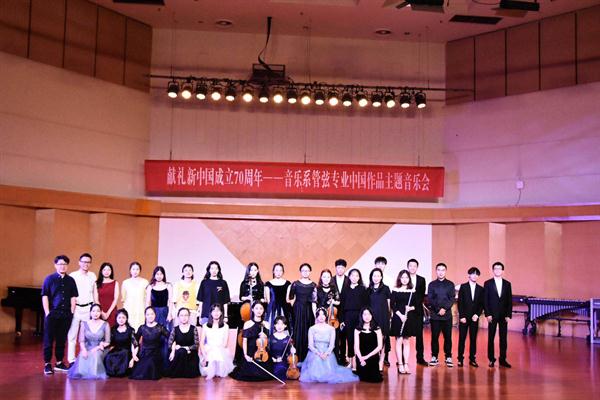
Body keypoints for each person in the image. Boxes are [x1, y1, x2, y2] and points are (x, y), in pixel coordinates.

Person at [299, 307, 359, 383]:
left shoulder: (331, 329)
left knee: (329, 368)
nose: (321, 317)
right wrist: (319, 354)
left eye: (323, 315)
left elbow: (332, 345)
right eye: (319, 315)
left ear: (326, 316)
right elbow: (310, 345)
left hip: (327, 352)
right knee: (316, 360)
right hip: (315, 352)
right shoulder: (312, 328)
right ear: (316, 316)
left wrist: (326, 354)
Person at [41, 255, 79, 375]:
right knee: (48, 339)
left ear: (67, 266)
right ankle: (47, 364)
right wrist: (47, 312)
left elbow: (73, 297)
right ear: (55, 265)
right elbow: (45, 296)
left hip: (66, 314)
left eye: (65, 264)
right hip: (52, 314)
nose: (62, 266)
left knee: (62, 339)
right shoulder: (49, 279)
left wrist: (72, 311)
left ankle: (59, 362)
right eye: (60, 264)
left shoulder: (71, 280)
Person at [230, 301, 274, 381]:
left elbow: (268, 342)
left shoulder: (266, 324)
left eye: (261, 308)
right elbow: (245, 341)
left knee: (266, 374)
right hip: (250, 352)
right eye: (256, 308)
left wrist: (265, 337)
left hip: (263, 352)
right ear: (253, 310)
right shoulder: (247, 323)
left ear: (263, 310)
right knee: (249, 373)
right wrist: (245, 355)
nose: (259, 310)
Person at [67, 253, 98, 367]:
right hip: (76, 308)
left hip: (88, 308)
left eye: (88, 262)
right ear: (79, 262)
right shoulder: (73, 275)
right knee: (72, 335)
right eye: (84, 262)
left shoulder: (92, 275)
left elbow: (94, 292)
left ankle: (85, 359)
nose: (86, 264)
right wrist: (71, 309)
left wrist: (96, 305)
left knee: (87, 336)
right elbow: (70, 293)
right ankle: (71, 360)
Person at [68, 303, 110, 379]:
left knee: (95, 355)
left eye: (98, 311)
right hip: (88, 346)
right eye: (93, 311)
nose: (95, 313)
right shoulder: (84, 324)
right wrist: (84, 349)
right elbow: (81, 340)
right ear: (90, 312)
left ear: (101, 312)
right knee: (82, 354)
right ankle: (82, 373)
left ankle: (94, 374)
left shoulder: (105, 324)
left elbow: (107, 342)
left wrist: (99, 347)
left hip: (100, 348)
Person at [484, 261, 513, 368]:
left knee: (503, 338)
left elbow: (509, 300)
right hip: (492, 315)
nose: (497, 270)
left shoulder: (507, 284)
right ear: (493, 270)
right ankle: (491, 359)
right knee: (491, 338)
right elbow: (485, 300)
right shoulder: (488, 283)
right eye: (495, 268)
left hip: (503, 315)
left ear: (502, 271)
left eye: (499, 268)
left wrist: (508, 315)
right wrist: (488, 314)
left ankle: (503, 359)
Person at [129, 307, 170, 380]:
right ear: (145, 316)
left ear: (155, 315)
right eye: (148, 314)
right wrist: (133, 356)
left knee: (151, 362)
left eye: (152, 314)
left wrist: (173, 350)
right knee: (138, 372)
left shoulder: (160, 327)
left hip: (155, 353)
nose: (150, 316)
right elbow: (134, 341)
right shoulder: (142, 327)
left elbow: (170, 337)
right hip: (144, 353)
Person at [427, 263, 455, 368]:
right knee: (434, 337)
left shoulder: (450, 284)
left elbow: (452, 298)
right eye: (439, 270)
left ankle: (448, 357)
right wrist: (438, 309)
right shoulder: (431, 284)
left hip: (447, 316)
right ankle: (434, 356)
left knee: (448, 337)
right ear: (436, 271)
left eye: (443, 270)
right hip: (435, 316)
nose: (441, 272)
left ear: (445, 271)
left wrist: (444, 309)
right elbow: (430, 299)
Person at [287, 263, 316, 362]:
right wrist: (294, 308)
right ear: (300, 272)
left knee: (308, 332)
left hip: (308, 310)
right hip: (297, 310)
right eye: (303, 270)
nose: (305, 272)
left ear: (310, 272)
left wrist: (315, 315)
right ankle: (297, 357)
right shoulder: (295, 284)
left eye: (307, 270)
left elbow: (314, 301)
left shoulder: (313, 285)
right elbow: (290, 298)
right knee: (298, 332)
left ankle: (308, 358)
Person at [339, 268, 368, 369]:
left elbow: (366, 305)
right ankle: (351, 362)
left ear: (359, 277)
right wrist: (342, 320)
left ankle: (360, 361)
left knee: (360, 340)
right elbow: (341, 306)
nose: (354, 277)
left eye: (357, 275)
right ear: (349, 277)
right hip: (348, 316)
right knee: (350, 340)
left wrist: (364, 319)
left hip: (359, 317)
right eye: (352, 275)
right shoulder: (345, 290)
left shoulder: (363, 289)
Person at [390, 269, 418, 374]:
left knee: (406, 341)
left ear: (409, 279)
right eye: (402, 277)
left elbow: (416, 305)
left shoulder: (412, 291)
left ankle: (406, 363)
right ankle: (400, 364)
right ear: (399, 278)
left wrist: (410, 308)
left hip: (408, 317)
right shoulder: (395, 290)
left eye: (406, 277)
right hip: (398, 317)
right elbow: (392, 305)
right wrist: (400, 315)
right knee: (399, 340)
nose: (405, 279)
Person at [457, 267, 484, 367]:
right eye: (473, 274)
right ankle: (460, 359)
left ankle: (472, 359)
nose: (475, 276)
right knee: (462, 339)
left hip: (474, 318)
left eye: (477, 274)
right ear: (469, 275)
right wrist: (462, 316)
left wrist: (477, 315)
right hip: (464, 318)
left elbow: (482, 304)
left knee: (473, 339)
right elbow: (460, 302)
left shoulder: (481, 289)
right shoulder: (463, 287)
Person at [199, 303, 234, 379]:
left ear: (221, 313)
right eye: (214, 311)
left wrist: (216, 350)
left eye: (218, 311)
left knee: (218, 365)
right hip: (208, 350)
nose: (216, 313)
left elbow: (225, 344)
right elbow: (201, 342)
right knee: (209, 367)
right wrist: (205, 355)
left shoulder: (225, 326)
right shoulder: (205, 326)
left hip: (221, 350)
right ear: (211, 313)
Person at [367, 267, 390, 369]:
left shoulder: (386, 289)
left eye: (378, 276)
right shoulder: (368, 290)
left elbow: (389, 305)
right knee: (373, 340)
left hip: (383, 317)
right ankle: (374, 360)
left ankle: (381, 360)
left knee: (383, 340)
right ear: (371, 277)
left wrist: (389, 317)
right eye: (374, 276)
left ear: (381, 277)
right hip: (371, 319)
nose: (376, 278)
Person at [104, 309, 139, 377]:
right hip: (116, 350)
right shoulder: (113, 330)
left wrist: (133, 357)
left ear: (126, 319)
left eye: (123, 317)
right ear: (116, 319)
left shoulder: (130, 330)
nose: (121, 319)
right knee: (109, 356)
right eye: (119, 317)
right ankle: (113, 372)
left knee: (124, 354)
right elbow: (110, 343)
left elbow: (134, 344)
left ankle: (121, 372)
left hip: (127, 351)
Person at [167, 308, 200, 378]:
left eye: (186, 315)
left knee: (182, 351)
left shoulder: (193, 328)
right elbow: (169, 344)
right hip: (178, 355)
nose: (184, 317)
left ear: (189, 316)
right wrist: (174, 350)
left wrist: (185, 348)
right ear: (178, 317)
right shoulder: (175, 329)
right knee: (181, 352)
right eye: (181, 315)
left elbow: (196, 345)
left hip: (190, 356)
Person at [407, 258, 428, 366]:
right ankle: (402, 359)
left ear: (417, 267)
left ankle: (420, 358)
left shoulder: (421, 279)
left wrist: (414, 306)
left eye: (414, 266)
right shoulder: (404, 278)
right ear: (407, 267)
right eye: (410, 266)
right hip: (406, 311)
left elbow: (421, 295)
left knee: (419, 335)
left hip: (417, 311)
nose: (412, 267)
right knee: (404, 336)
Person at [354, 307, 383, 382]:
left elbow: (380, 346)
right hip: (361, 358)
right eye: (365, 314)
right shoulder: (357, 329)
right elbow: (356, 347)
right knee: (362, 377)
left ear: (372, 315)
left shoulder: (377, 329)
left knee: (375, 379)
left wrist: (367, 357)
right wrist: (361, 359)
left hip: (372, 356)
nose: (367, 316)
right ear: (361, 316)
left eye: (369, 314)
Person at [197, 261, 231, 326]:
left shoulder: (223, 283)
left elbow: (225, 302)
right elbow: (201, 301)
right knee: (206, 332)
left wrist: (226, 316)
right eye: (212, 268)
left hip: (219, 316)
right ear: (209, 270)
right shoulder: (204, 282)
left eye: (216, 268)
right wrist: (200, 316)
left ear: (218, 270)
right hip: (206, 315)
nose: (214, 270)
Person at [264, 263, 292, 334]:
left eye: (280, 270)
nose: (278, 272)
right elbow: (268, 300)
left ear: (283, 272)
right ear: (273, 271)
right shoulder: (268, 284)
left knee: (284, 327)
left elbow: (287, 299)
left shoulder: (288, 283)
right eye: (276, 270)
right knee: (271, 327)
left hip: (284, 309)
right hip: (272, 309)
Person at [121, 262, 149, 331]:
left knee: (140, 328)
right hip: (129, 308)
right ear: (130, 270)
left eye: (137, 269)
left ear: (140, 271)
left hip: (140, 308)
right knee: (129, 328)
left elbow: (147, 297)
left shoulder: (145, 282)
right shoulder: (125, 282)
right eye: (133, 269)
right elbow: (123, 298)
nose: (135, 271)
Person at [332, 259, 350, 365]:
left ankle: (343, 358)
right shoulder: (331, 280)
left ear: (345, 268)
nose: (340, 269)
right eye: (338, 267)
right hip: (333, 312)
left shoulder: (349, 280)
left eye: (342, 267)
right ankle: (334, 358)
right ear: (335, 268)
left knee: (343, 335)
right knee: (333, 335)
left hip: (345, 311)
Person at [270, 316, 296, 381]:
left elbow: (290, 354)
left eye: (282, 324)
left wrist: (293, 351)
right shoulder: (270, 338)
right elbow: (267, 352)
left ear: (285, 326)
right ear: (274, 325)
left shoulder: (289, 338)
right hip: (272, 362)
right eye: (277, 324)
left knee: (281, 368)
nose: (280, 326)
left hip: (284, 362)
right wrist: (275, 360)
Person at [96, 262, 119, 327]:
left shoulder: (115, 283)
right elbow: (96, 300)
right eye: (104, 270)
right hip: (99, 311)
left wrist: (108, 313)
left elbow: (115, 299)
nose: (106, 272)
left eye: (109, 270)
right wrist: (102, 312)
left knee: (112, 330)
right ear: (101, 271)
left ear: (111, 271)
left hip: (112, 310)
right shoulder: (96, 283)